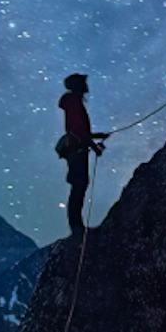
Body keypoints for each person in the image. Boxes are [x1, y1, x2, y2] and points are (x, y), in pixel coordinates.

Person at [55, 73, 107, 238]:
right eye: (84, 83)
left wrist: (96, 137)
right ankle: (77, 226)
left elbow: (77, 129)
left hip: (75, 149)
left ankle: (76, 226)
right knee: (80, 184)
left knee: (79, 184)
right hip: (77, 150)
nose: (87, 86)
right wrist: (94, 146)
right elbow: (78, 129)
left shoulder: (72, 101)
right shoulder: (74, 102)